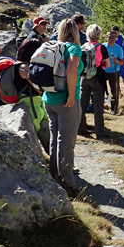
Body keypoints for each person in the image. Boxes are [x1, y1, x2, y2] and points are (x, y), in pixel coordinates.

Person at [43, 18, 83, 197]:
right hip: (65, 101)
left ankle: (54, 176)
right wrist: (71, 95)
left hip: (48, 99)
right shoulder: (73, 48)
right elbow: (72, 69)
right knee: (66, 142)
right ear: (75, 31)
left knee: (54, 139)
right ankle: (67, 185)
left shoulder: (51, 46)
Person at [14, 38, 50, 153]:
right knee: (41, 132)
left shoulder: (17, 64)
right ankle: (55, 162)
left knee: (45, 131)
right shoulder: (25, 68)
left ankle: (57, 162)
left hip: (27, 101)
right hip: (31, 102)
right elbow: (38, 89)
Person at [78, 24, 110, 139]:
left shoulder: (84, 46)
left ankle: (80, 128)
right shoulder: (102, 48)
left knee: (82, 104)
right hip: (97, 78)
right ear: (99, 35)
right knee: (98, 106)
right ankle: (99, 132)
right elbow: (108, 65)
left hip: (84, 77)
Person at [104, 30, 124, 114]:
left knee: (114, 90)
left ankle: (114, 109)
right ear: (106, 37)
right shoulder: (102, 47)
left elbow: (122, 62)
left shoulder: (118, 49)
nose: (112, 39)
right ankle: (100, 107)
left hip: (114, 71)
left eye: (114, 37)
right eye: (110, 37)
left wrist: (116, 61)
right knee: (100, 89)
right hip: (103, 71)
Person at [112, 25, 124, 98]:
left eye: (116, 33)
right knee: (115, 75)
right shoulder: (112, 38)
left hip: (121, 58)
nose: (116, 34)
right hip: (114, 60)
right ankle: (118, 90)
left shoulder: (123, 39)